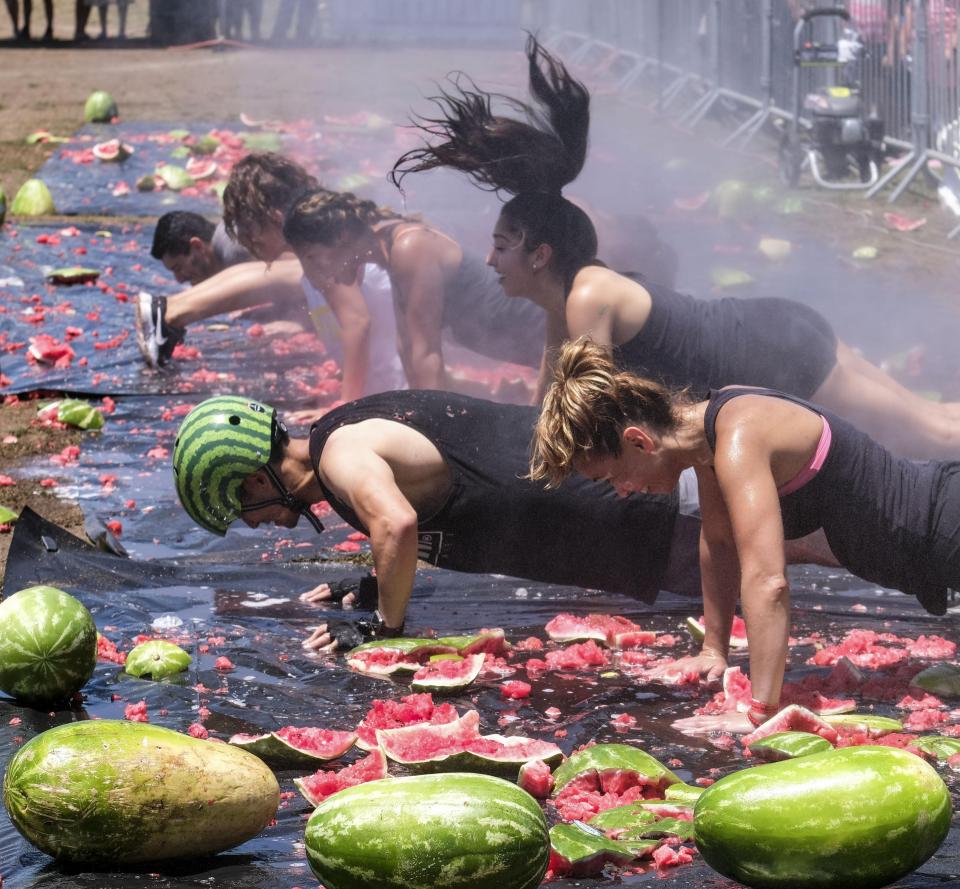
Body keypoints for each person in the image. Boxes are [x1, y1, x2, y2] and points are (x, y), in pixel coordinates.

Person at [391, 35, 960, 460]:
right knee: (934, 421)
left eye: (500, 246)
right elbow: (548, 408)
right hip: (771, 334)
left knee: (934, 435)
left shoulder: (589, 296)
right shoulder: (565, 300)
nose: (488, 260)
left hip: (775, 352)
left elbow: (582, 412)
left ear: (539, 254)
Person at [171, 390, 836, 652]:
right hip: (595, 515)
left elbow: (397, 526)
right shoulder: (336, 442)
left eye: (243, 506)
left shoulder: (340, 453)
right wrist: (371, 584)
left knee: (812, 539)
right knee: (803, 529)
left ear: (258, 476)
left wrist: (384, 631)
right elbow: (427, 519)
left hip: (613, 506)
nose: (255, 523)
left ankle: (922, 544)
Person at [530, 336, 960, 733]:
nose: (622, 493)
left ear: (639, 441)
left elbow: (768, 581)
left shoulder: (737, 435)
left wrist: (762, 712)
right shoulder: (708, 434)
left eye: (613, 477)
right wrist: (713, 650)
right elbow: (719, 542)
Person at [135, 154, 404, 407]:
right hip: (385, 387)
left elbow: (357, 322)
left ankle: (172, 310)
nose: (245, 240)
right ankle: (171, 310)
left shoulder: (319, 248)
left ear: (272, 217)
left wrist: (346, 410)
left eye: (246, 228)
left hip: (398, 390)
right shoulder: (312, 255)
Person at [282, 187, 546, 392]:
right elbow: (406, 347)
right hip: (535, 350)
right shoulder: (389, 255)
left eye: (312, 256)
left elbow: (426, 354)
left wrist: (432, 433)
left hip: (550, 338)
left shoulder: (409, 247)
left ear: (339, 239)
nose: (313, 272)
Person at [150, 211, 252, 285]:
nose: (179, 280)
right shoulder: (225, 240)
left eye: (178, 268)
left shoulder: (235, 252)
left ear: (197, 246)